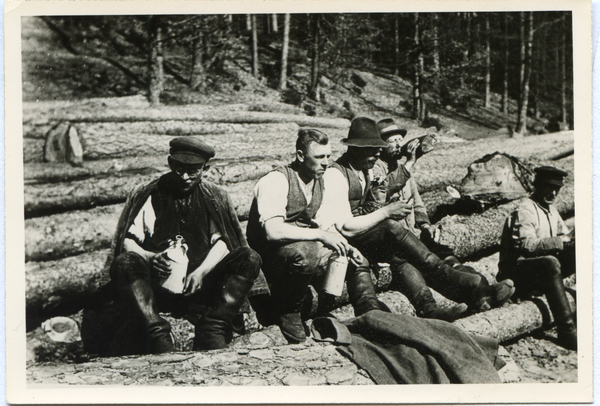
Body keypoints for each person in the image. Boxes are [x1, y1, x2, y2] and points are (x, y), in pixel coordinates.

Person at [82, 137, 262, 356]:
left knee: (248, 258)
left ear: (206, 168)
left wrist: (201, 272)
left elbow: (223, 243)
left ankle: (213, 326)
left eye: (193, 170)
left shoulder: (215, 197)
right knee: (125, 262)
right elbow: (129, 241)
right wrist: (150, 257)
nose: (184, 176)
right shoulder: (148, 193)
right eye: (179, 168)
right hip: (155, 287)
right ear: (169, 163)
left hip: (200, 287)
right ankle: (156, 332)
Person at [324, 117, 515, 322]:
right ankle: (456, 282)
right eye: (373, 148)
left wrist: (421, 221)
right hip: (345, 236)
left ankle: (439, 308)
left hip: (377, 232)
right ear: (355, 148)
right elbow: (346, 224)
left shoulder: (365, 169)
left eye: (379, 148)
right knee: (392, 231)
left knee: (403, 255)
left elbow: (406, 201)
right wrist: (387, 209)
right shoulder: (339, 174)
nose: (377, 153)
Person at [246, 129, 383, 344]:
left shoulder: (318, 180)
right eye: (319, 157)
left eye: (328, 156)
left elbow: (322, 221)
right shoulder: (276, 181)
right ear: (301, 156)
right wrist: (320, 236)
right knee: (307, 251)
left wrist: (344, 245)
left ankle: (371, 316)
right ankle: (289, 311)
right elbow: (273, 231)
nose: (326, 163)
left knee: (355, 257)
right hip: (267, 258)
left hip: (298, 248)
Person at [497, 166, 576, 350]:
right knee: (551, 262)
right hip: (517, 273)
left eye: (557, 188)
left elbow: (565, 239)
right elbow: (527, 246)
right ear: (538, 186)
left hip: (539, 271)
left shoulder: (551, 210)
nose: (553, 192)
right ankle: (566, 331)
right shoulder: (526, 209)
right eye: (549, 187)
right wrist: (563, 240)